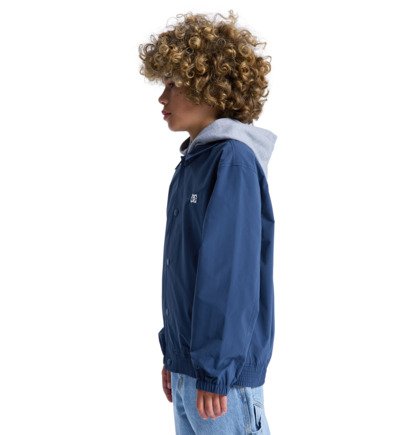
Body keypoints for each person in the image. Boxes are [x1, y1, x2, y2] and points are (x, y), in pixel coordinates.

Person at [139, 10, 277, 434]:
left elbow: (230, 273)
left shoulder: (232, 160)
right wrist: (175, 356)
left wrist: (214, 367)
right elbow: (183, 271)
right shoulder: (192, 164)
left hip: (221, 383)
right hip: (193, 373)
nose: (162, 98)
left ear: (209, 86)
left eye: (173, 84)